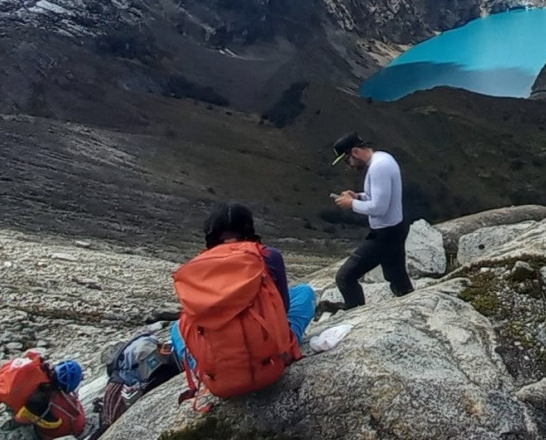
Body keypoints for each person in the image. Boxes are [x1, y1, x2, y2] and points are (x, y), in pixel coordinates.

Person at [171, 202, 317, 397]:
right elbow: (283, 307)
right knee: (304, 292)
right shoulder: (269, 256)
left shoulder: (197, 267)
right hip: (271, 366)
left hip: (221, 383)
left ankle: (200, 368)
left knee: (177, 327)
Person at [325, 131, 414, 311]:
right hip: (394, 229)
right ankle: (410, 303)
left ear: (355, 152)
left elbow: (379, 208)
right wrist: (358, 196)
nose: (349, 165)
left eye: (347, 160)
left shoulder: (378, 167)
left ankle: (356, 312)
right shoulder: (383, 159)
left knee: (345, 277)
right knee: (396, 275)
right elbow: (378, 197)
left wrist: (351, 204)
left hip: (385, 234)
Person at [0, 353, 86, 440]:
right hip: (46, 427)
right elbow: (21, 419)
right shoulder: (40, 399)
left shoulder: (35, 366)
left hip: (3, 390)